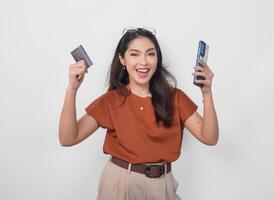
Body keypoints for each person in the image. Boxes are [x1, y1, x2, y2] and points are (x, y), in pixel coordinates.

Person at [59, 27, 219, 200]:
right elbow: (68, 138)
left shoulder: (175, 97)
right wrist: (72, 89)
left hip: (162, 185)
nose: (143, 62)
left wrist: (207, 94)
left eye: (150, 54)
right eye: (134, 54)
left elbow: (209, 138)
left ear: (157, 58)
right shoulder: (111, 101)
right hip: (120, 183)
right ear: (122, 59)